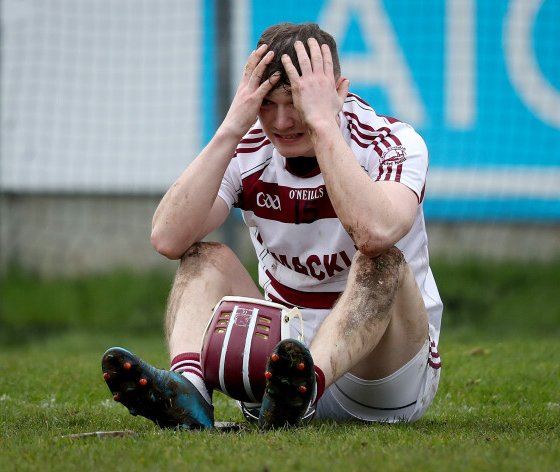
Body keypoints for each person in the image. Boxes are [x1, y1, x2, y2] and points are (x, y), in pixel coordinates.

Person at [102, 22, 443, 430]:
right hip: (280, 367)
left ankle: (305, 389)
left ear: (337, 92)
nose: (281, 122)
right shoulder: (248, 147)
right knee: (201, 256)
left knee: (381, 260)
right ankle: (190, 392)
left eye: (296, 101)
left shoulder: (390, 141)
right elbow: (167, 238)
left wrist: (321, 125)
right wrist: (231, 127)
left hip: (382, 375)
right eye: (267, 103)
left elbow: (375, 233)